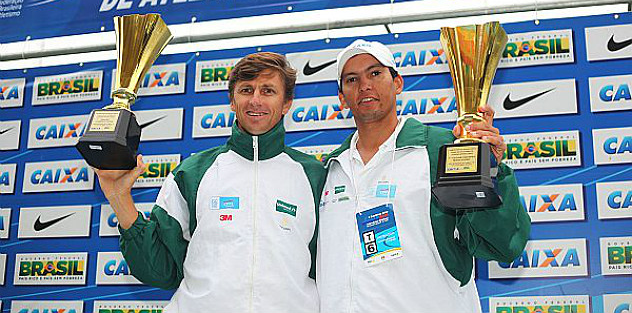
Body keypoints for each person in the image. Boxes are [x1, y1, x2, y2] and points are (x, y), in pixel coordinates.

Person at [95, 52, 326, 313]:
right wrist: (119, 198)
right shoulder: (192, 173)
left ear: (287, 103)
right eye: (246, 90)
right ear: (232, 101)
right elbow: (161, 271)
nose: (256, 100)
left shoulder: (314, 176)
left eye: (268, 90)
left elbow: (332, 269)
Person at [316, 39, 531, 313]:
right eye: (351, 79)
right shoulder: (330, 168)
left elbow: (500, 244)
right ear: (342, 98)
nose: (364, 85)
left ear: (397, 83)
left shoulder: (442, 149)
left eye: (375, 73)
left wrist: (490, 172)